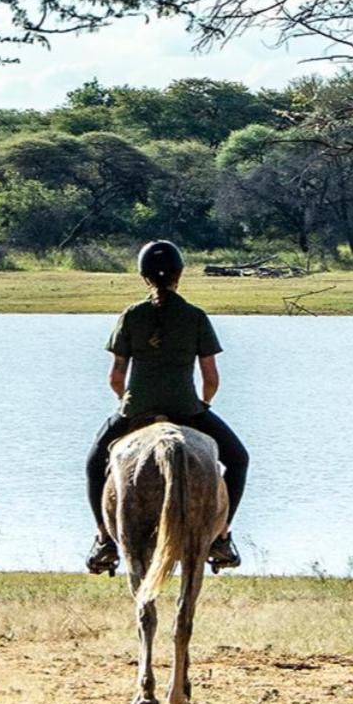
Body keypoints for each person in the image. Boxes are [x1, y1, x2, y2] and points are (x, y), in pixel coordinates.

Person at [85, 239, 249, 575]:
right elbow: (211, 377)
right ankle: (222, 536)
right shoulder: (195, 316)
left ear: (144, 276)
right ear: (179, 274)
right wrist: (203, 404)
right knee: (238, 459)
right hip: (187, 409)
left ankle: (103, 539)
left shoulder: (131, 315)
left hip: (135, 410)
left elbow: (116, 376)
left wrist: (127, 403)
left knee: (92, 463)